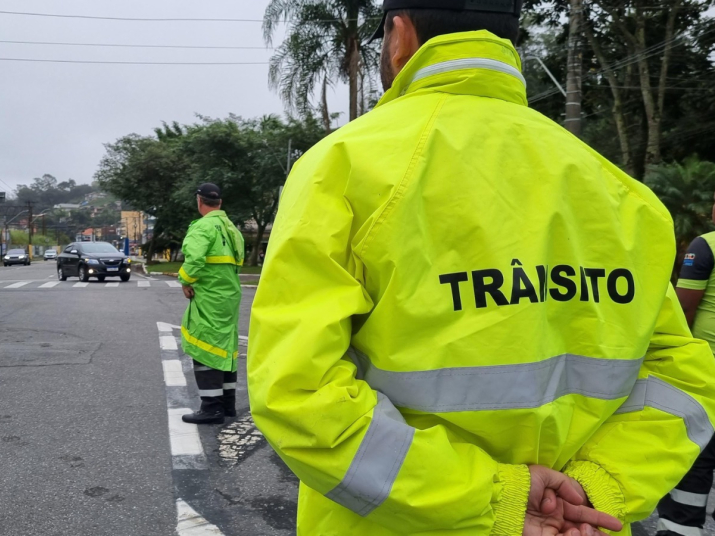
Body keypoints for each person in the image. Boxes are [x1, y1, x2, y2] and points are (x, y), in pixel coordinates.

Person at [248, 1, 715, 535]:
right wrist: (598, 487)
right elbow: (681, 375)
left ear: (399, 37)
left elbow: (297, 392)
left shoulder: (343, 167)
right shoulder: (625, 195)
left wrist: (495, 499)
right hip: (582, 523)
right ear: (510, 43)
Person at [655, 195, 715, 536]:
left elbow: (683, 310)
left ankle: (680, 527)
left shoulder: (704, 245)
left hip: (708, 365)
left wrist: (678, 361)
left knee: (697, 449)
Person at [178, 183, 245, 425]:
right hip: (229, 296)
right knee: (225, 349)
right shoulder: (231, 228)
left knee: (204, 348)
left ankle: (211, 408)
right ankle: (228, 405)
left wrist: (184, 280)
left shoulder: (202, 227)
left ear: (199, 201)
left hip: (208, 295)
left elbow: (194, 260)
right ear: (220, 203)